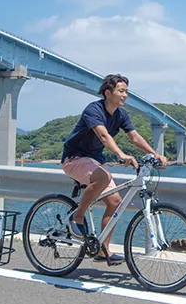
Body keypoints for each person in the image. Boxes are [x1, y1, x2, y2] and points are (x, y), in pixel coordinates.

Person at [61, 73, 168, 265]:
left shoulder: (121, 114)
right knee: (103, 177)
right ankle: (77, 217)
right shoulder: (93, 110)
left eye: (126, 91)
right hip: (74, 159)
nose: (125, 95)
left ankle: (104, 249)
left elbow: (134, 137)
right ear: (108, 92)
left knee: (115, 202)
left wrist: (155, 154)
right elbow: (103, 136)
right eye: (121, 91)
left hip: (94, 162)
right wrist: (121, 154)